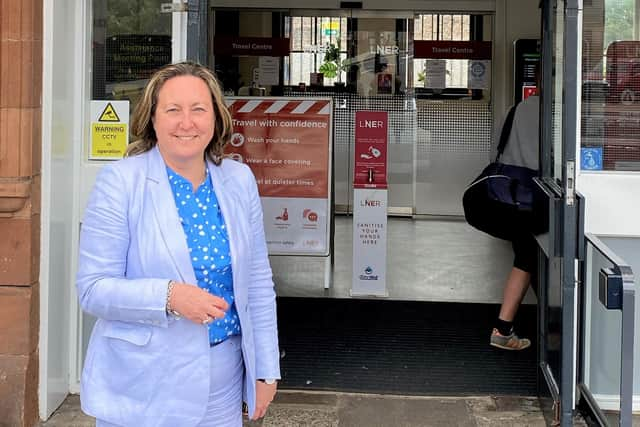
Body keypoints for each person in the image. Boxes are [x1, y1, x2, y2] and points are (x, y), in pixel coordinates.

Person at [76, 62, 280, 426]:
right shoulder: (121, 183)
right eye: (173, 110)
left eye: (198, 109)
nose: (187, 123)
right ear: (152, 119)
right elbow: (93, 289)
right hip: (143, 385)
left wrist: (265, 369)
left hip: (223, 384)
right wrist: (169, 297)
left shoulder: (238, 180)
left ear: (216, 117)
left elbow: (258, 283)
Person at [489, 88, 540, 351]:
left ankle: (504, 328)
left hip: (514, 199)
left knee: (525, 257)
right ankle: (506, 328)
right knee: (535, 258)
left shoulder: (512, 111)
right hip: (543, 198)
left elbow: (494, 153)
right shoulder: (558, 114)